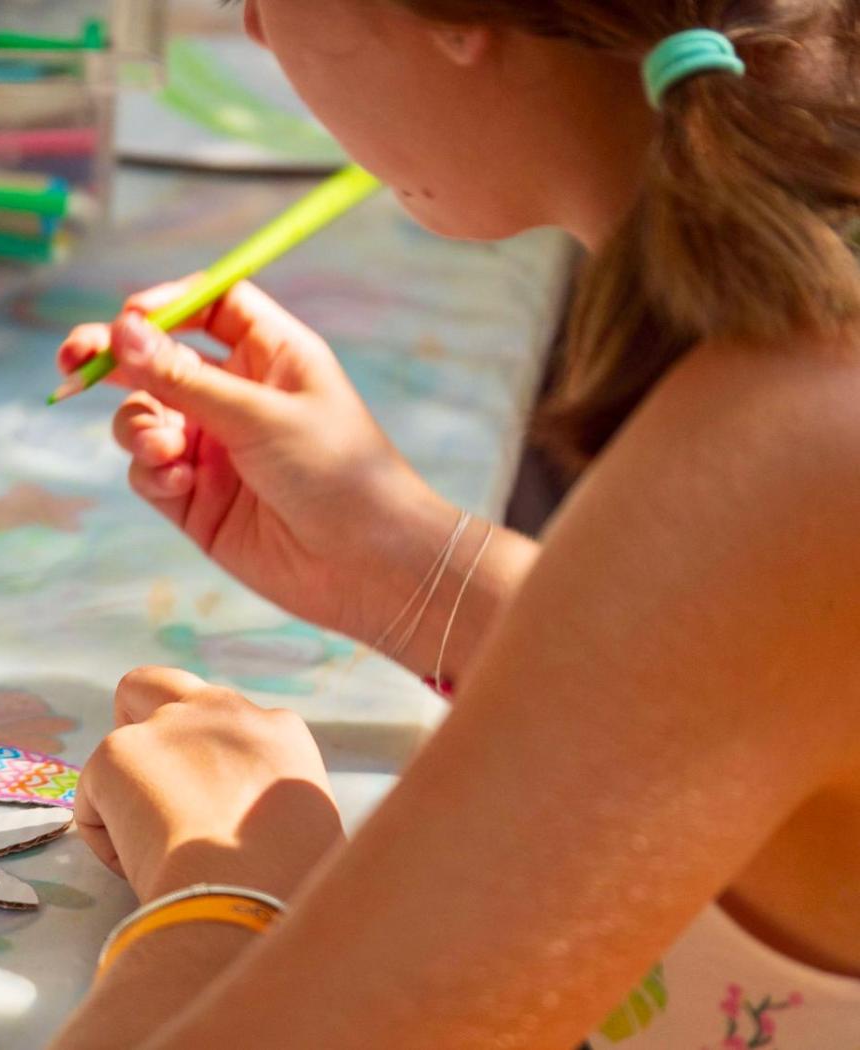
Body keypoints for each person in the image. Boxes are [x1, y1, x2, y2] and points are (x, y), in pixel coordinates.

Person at [46, 1, 860, 1048]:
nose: (250, 26)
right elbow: (741, 673)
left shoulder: (782, 452)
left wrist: (227, 886)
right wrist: (404, 560)